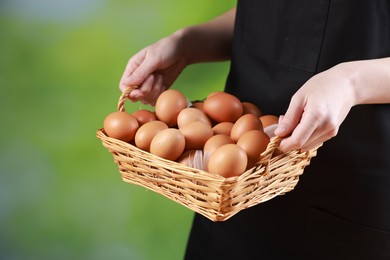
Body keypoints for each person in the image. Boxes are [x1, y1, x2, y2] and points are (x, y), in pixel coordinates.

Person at [120, 1, 390, 259]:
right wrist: (188, 43)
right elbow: (270, 14)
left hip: (350, 187)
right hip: (233, 189)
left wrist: (352, 83)